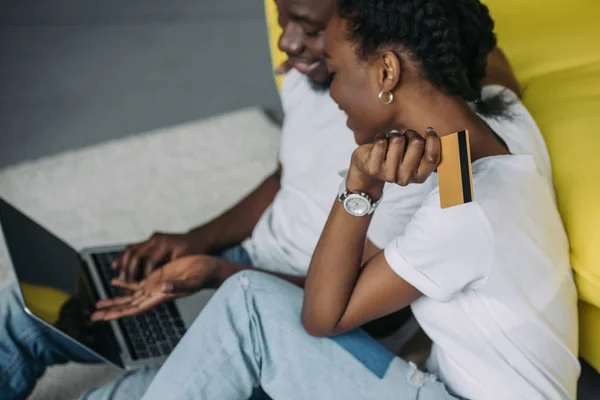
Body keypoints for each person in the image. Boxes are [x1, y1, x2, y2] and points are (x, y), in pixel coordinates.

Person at [0, 0, 555, 398]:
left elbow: (320, 316)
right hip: (444, 381)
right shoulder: (494, 132)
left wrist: (359, 185)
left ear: (386, 70)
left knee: (246, 303)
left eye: (333, 69)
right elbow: (481, 60)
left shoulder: (462, 212)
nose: (327, 86)